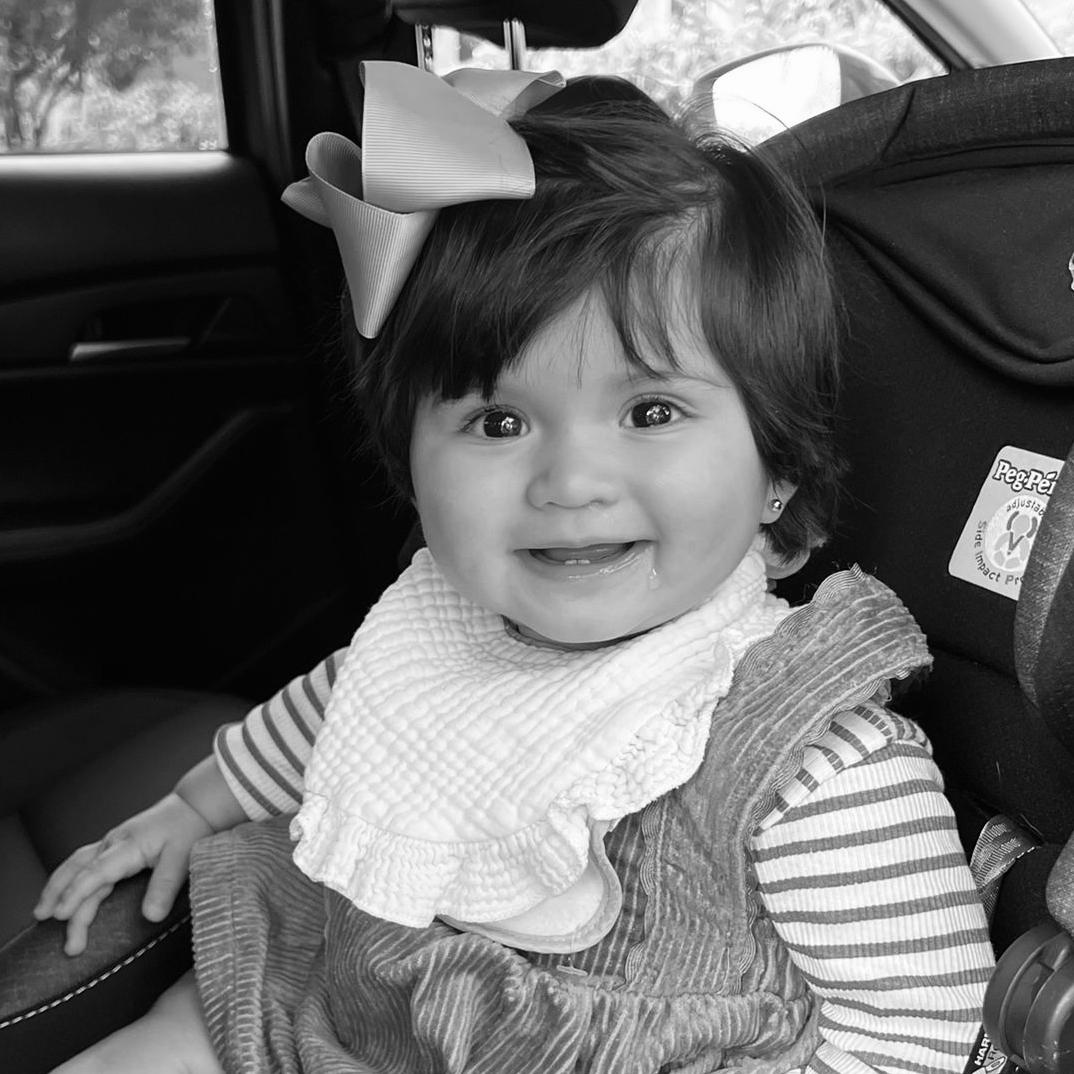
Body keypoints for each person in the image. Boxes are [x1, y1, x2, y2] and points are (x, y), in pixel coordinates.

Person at [34, 61, 994, 1074]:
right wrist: (190, 808)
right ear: (409, 468)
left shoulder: (817, 763)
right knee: (176, 1030)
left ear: (777, 471)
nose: (570, 482)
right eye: (498, 422)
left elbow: (921, 1032)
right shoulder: (438, 634)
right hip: (359, 1007)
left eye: (650, 411)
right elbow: (337, 708)